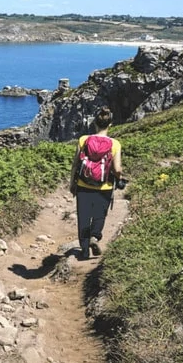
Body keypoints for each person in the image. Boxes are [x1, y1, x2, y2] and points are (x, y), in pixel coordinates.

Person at [69, 107, 123, 259]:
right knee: (99, 215)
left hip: (83, 184)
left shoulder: (83, 140)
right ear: (110, 124)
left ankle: (84, 251)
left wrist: (72, 183)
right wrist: (119, 178)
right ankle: (95, 236)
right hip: (104, 186)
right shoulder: (115, 144)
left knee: (83, 216)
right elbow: (117, 169)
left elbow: (75, 164)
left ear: (95, 123)